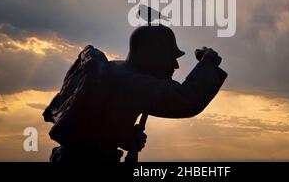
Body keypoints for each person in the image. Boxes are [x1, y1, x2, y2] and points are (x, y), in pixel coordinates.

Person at [44, 25, 227, 162]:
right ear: (155, 54)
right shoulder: (135, 83)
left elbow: (98, 122)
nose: (175, 65)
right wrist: (208, 62)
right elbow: (187, 99)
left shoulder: (113, 70)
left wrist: (123, 134)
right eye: (172, 57)